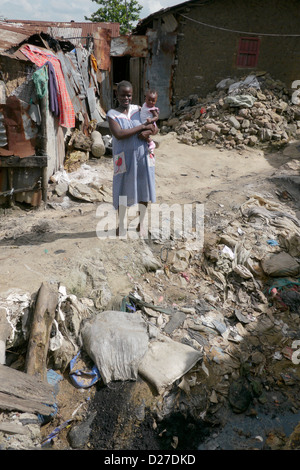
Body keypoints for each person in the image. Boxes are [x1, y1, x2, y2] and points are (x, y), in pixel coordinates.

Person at [107, 80, 158, 237]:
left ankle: (141, 224)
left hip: (142, 155)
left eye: (129, 95)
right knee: (122, 188)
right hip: (122, 158)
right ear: (117, 94)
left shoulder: (139, 110)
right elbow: (120, 134)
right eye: (122, 95)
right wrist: (142, 127)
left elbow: (155, 127)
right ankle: (121, 224)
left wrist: (149, 132)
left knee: (144, 188)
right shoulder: (112, 114)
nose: (126, 98)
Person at [140, 89, 159, 154]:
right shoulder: (144, 104)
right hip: (145, 124)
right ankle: (149, 146)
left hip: (151, 125)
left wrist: (151, 120)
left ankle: (151, 144)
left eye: (153, 101)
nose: (151, 102)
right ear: (145, 99)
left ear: (156, 101)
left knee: (142, 133)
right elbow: (143, 110)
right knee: (142, 134)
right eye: (149, 100)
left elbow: (156, 117)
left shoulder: (152, 109)